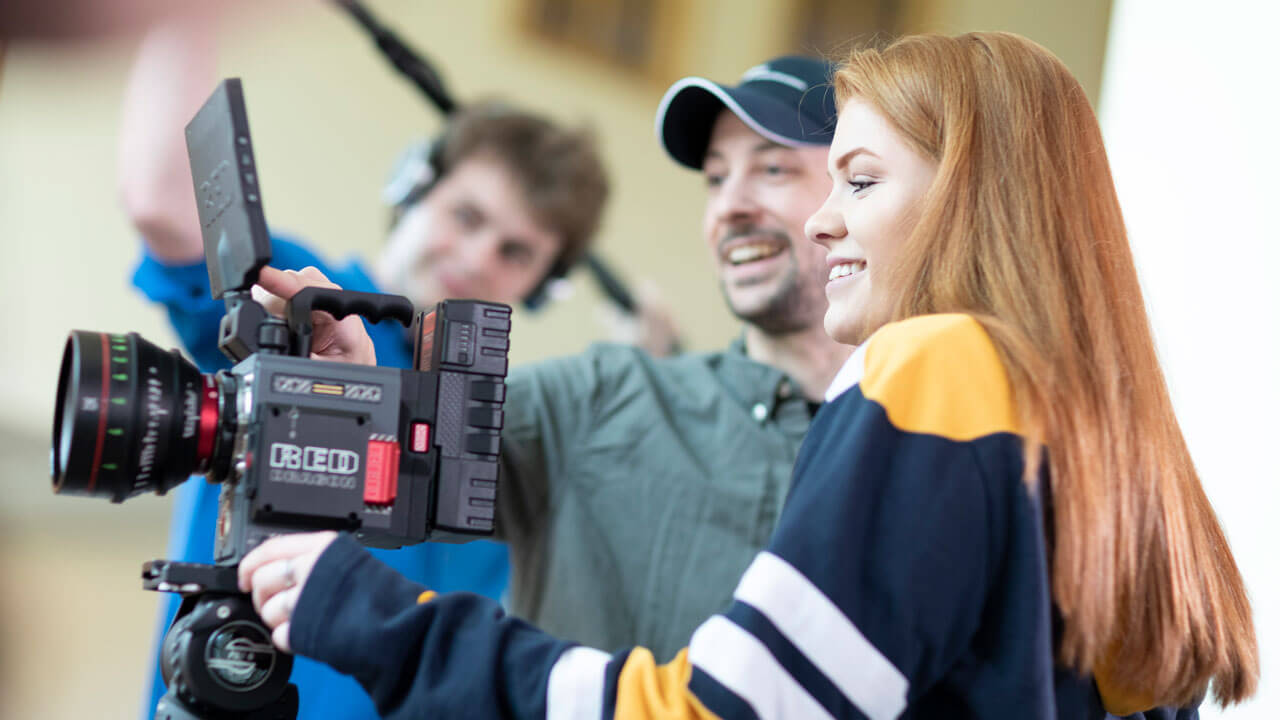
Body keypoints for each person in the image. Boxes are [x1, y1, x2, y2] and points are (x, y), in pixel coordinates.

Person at [240, 32, 1259, 719]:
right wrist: (361, 392)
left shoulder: (932, 371)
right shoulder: (1103, 444)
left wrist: (380, 625)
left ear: (966, 196)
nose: (764, 210)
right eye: (714, 175)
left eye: (809, 173)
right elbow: (389, 460)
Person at [119, 17, 609, 719]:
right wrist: (191, 13)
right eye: (466, 216)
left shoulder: (500, 441)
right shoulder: (302, 307)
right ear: (411, 186)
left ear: (538, 286)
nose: (477, 259)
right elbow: (162, 205)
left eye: (515, 251)